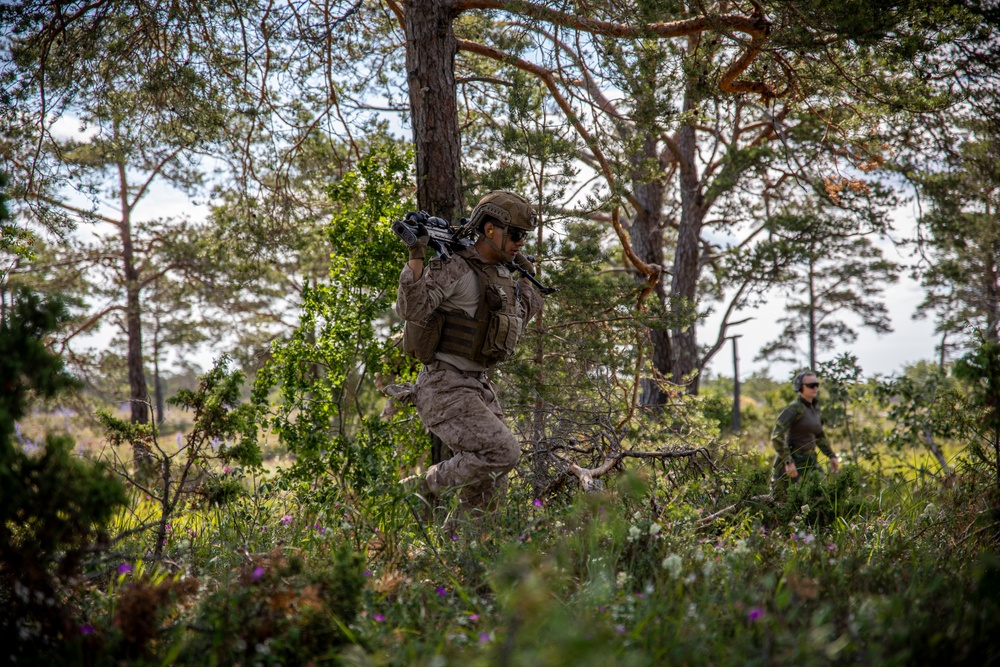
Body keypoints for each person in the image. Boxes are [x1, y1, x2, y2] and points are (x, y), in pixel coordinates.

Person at [395, 191, 545, 512]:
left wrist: (528, 278)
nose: (520, 243)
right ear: (490, 229)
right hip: (444, 385)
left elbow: (518, 319)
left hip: (479, 386)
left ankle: (468, 547)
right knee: (503, 453)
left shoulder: (501, 274)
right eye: (516, 235)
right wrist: (416, 256)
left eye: (524, 237)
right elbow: (413, 308)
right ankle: (421, 486)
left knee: (489, 486)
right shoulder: (456, 268)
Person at [770, 370, 839, 493]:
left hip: (810, 460)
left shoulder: (814, 409)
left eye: (817, 384)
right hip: (794, 461)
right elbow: (777, 435)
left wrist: (831, 456)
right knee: (784, 500)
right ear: (799, 387)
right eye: (811, 385)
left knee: (822, 493)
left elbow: (819, 435)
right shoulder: (794, 408)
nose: (815, 388)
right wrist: (788, 461)